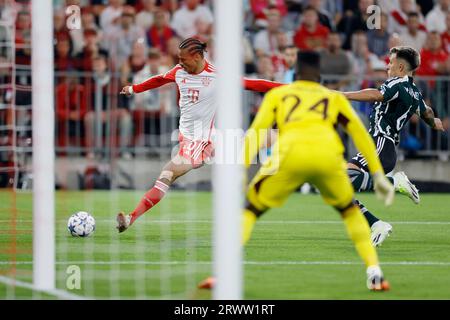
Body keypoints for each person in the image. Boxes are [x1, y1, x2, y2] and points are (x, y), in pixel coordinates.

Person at [199, 51, 394, 291]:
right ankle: (375, 273)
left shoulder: (280, 94)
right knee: (349, 212)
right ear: (319, 75)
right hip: (327, 160)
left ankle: (223, 275)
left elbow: (255, 134)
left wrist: (240, 170)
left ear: (296, 73)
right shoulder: (333, 98)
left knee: (250, 210)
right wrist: (376, 174)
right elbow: (360, 135)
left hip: (289, 158)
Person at [116, 38, 282, 232]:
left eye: (183, 58)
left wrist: (289, 88)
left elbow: (254, 84)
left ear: (197, 57)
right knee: (250, 142)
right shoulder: (178, 72)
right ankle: (289, 134)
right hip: (197, 139)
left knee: (166, 175)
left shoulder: (216, 76)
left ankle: (130, 218)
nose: (179, 62)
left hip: (200, 143)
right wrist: (134, 89)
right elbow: (159, 79)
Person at [342, 46, 445, 246]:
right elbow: (427, 112)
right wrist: (434, 122)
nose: (387, 67)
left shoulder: (396, 84)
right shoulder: (414, 92)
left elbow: (375, 95)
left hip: (380, 143)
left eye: (390, 63)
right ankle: (377, 224)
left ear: (400, 67)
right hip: (385, 147)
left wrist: (343, 95)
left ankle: (395, 183)